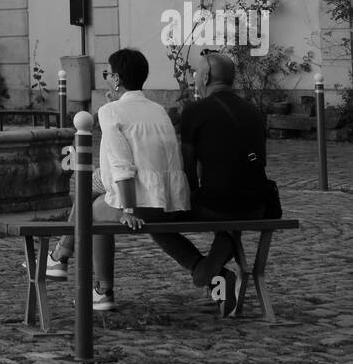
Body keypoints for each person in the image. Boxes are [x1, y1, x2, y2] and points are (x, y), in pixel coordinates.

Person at [47, 48, 190, 311]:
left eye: (107, 75)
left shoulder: (110, 111)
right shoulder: (159, 110)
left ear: (115, 79)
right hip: (170, 201)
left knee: (92, 213)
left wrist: (128, 209)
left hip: (141, 201)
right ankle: (60, 256)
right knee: (89, 184)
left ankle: (98, 286)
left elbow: (123, 165)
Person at [151, 50, 271, 313]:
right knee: (228, 191)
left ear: (205, 77)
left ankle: (201, 268)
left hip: (218, 205)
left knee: (152, 220)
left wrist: (188, 195)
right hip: (259, 204)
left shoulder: (196, 111)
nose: (195, 79)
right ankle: (223, 248)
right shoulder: (254, 111)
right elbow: (255, 159)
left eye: (196, 74)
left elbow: (188, 168)